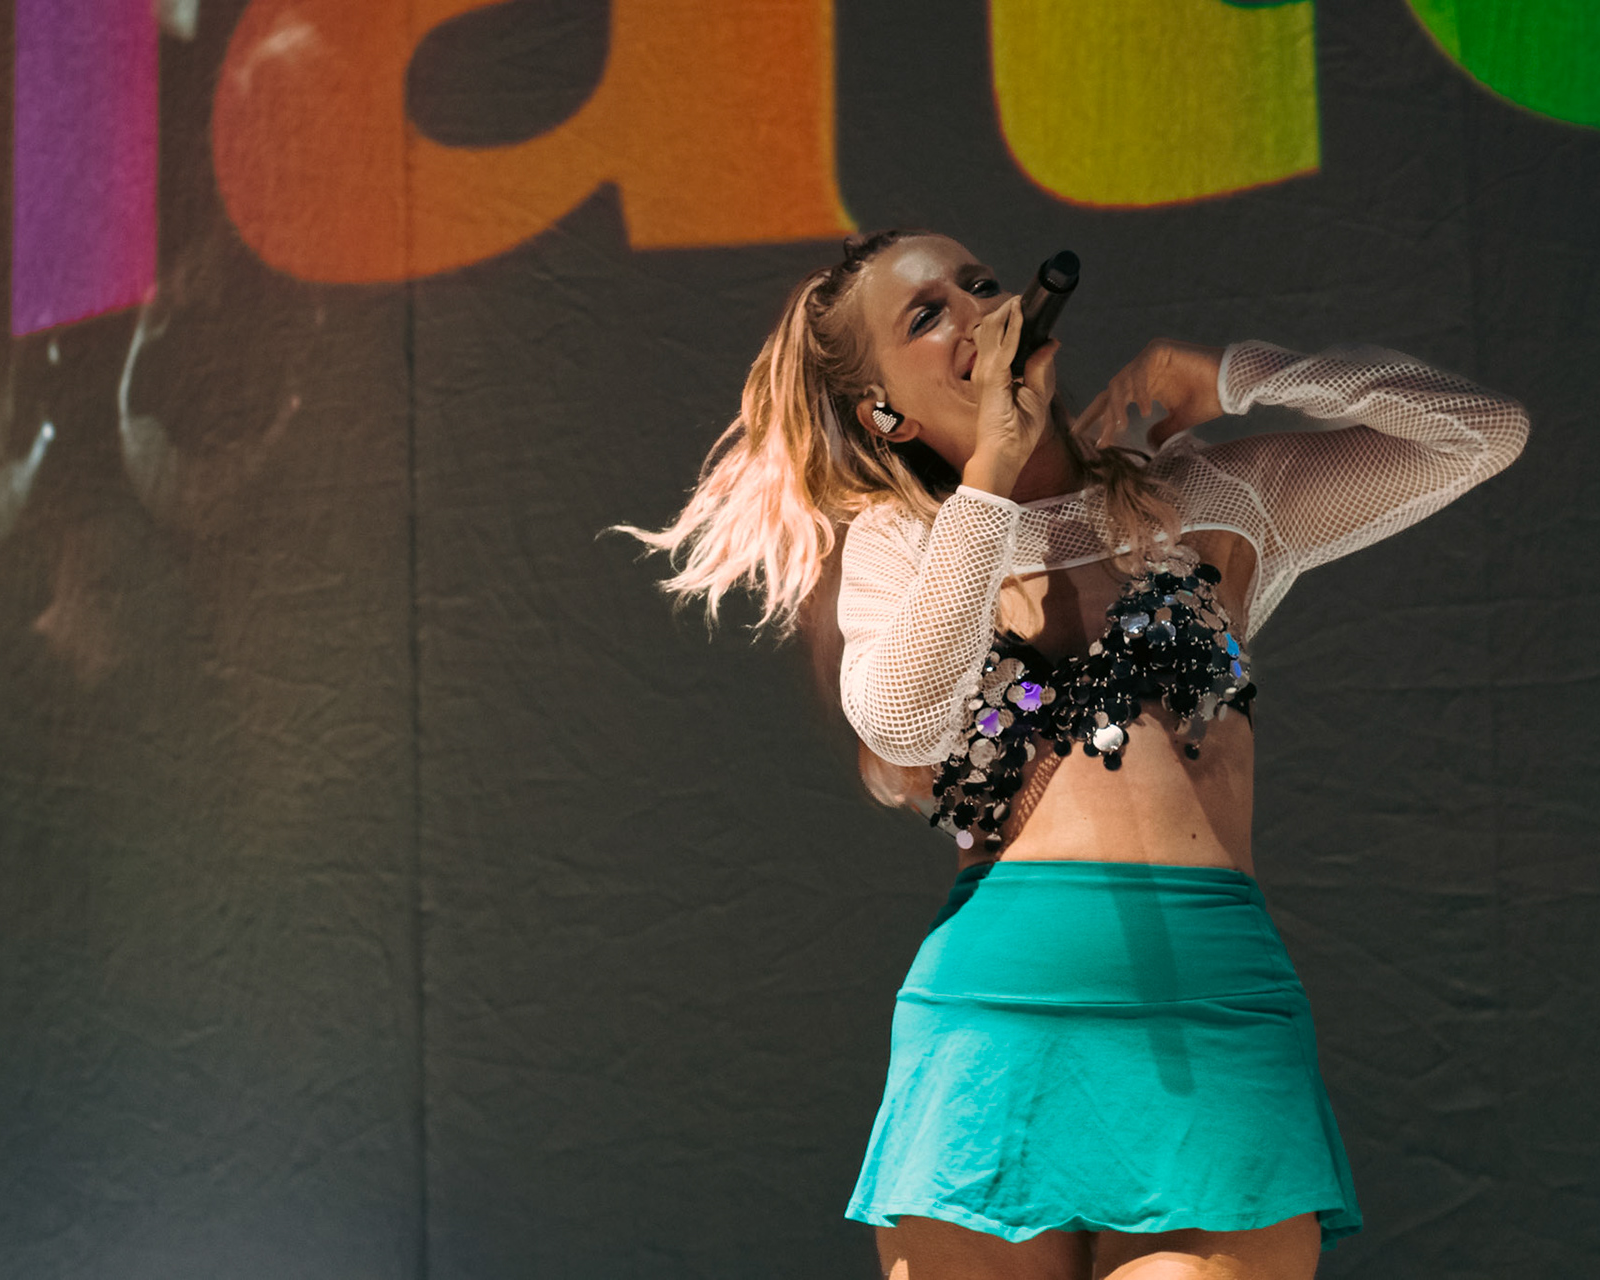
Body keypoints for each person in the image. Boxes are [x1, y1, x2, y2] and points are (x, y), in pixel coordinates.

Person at [619, 230, 1529, 1280]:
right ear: (884, 413)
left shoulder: (1206, 496)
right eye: (926, 315)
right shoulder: (901, 545)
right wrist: (992, 474)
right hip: (993, 1028)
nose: (975, 310)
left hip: (1210, 1014)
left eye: (979, 284)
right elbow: (905, 724)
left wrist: (1240, 374)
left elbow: (1482, 433)